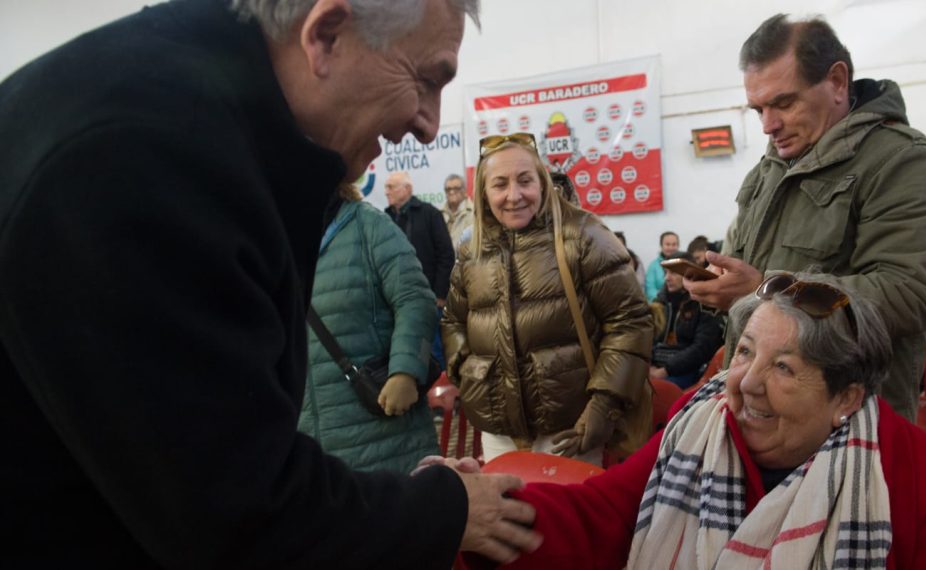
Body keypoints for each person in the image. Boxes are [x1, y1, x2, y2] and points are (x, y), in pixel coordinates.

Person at [0, 0, 543, 566]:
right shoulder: (141, 158)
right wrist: (443, 510)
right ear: (327, 35)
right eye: (426, 80)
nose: (429, 125)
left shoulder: (193, 118)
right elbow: (239, 513)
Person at [495, 273, 926, 569]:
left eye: (783, 367)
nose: (745, 383)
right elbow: (598, 514)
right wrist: (482, 510)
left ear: (848, 397)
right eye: (745, 352)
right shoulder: (698, 421)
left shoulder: (919, 475)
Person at [686, 14, 926, 421]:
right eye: (758, 108)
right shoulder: (768, 171)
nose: (768, 125)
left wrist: (765, 289)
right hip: (760, 409)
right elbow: (745, 273)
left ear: (837, 81)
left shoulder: (904, 164)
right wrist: (721, 285)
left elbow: (905, 297)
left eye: (784, 102)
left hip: (846, 422)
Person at [441, 133, 653, 466]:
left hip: (572, 429)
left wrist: (604, 404)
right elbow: (454, 320)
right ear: (484, 192)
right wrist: (468, 371)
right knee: (508, 516)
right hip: (499, 433)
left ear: (542, 182)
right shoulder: (472, 247)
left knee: (570, 517)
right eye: (499, 184)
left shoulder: (584, 235)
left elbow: (631, 321)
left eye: (525, 181)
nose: (514, 196)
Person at [299, 183, 440, 474]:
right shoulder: (275, 241)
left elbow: (416, 299)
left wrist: (407, 371)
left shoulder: (368, 224)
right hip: (311, 452)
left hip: (386, 440)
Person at [384, 171, 455, 367]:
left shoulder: (430, 214)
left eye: (391, 187)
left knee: (432, 351)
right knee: (405, 353)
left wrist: (440, 294)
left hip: (430, 299)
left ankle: (439, 395)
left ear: (407, 189)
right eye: (386, 187)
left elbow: (446, 255)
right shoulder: (384, 217)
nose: (386, 192)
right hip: (396, 301)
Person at [649, 252, 725, 390]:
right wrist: (648, 366)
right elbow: (646, 339)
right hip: (656, 366)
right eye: (665, 272)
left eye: (673, 273)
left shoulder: (703, 304)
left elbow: (702, 347)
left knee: (655, 391)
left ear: (689, 275)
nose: (667, 278)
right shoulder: (659, 302)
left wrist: (666, 370)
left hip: (687, 370)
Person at [441, 173, 475, 252]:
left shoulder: (474, 213)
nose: (452, 192)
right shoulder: (438, 214)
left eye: (456, 188)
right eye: (448, 189)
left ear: (464, 190)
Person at [644, 230, 680, 301]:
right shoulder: (653, 266)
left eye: (674, 244)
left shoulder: (682, 264)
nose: (671, 248)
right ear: (661, 246)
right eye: (667, 244)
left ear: (678, 246)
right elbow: (650, 290)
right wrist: (663, 300)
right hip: (659, 303)